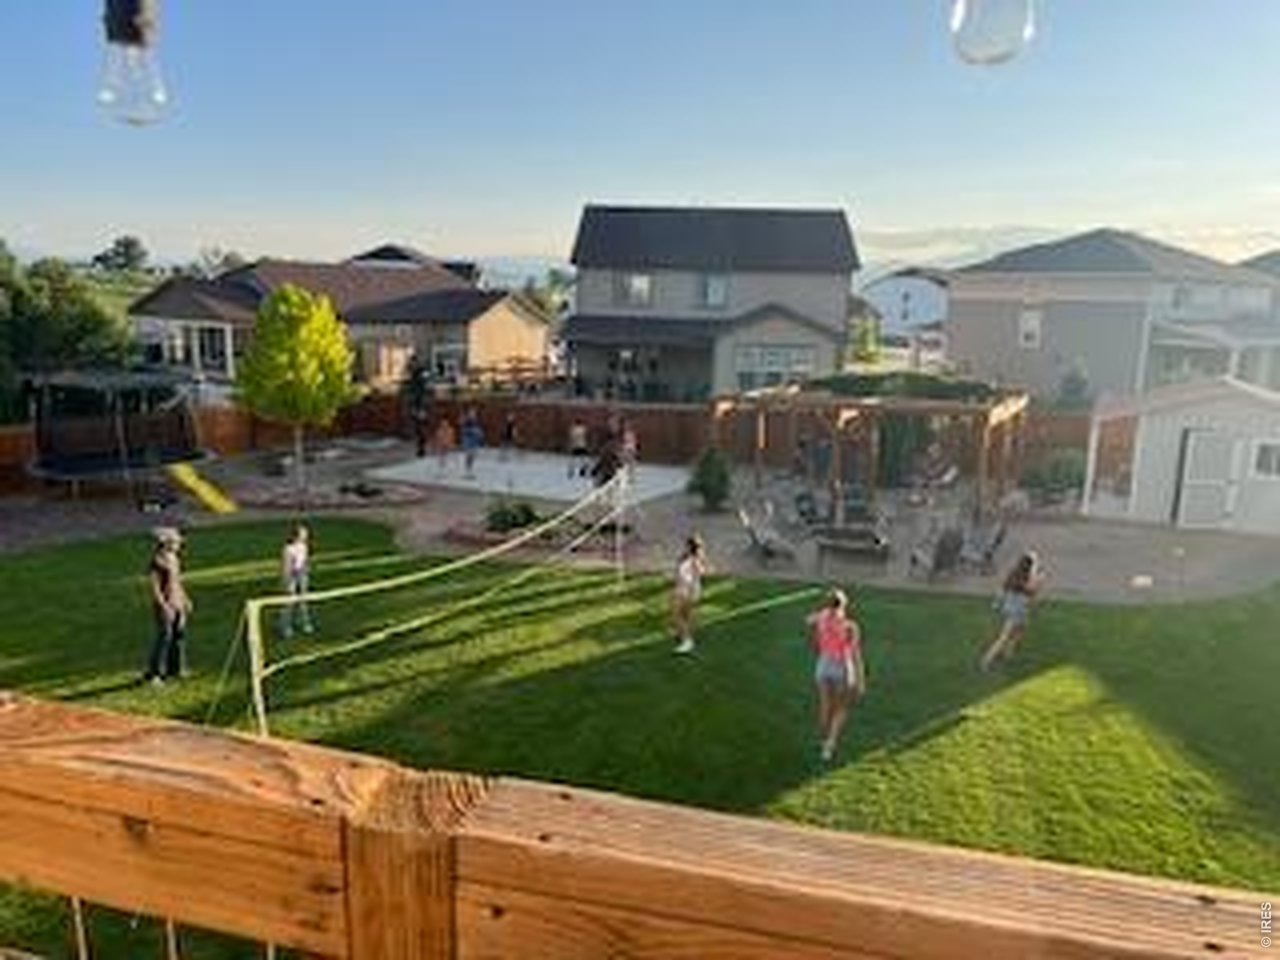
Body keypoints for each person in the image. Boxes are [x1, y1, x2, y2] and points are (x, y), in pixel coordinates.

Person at [807, 588, 864, 762]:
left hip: (823, 665)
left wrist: (816, 637)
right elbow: (855, 655)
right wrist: (860, 679)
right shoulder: (850, 627)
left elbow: (809, 620)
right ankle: (829, 745)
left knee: (825, 706)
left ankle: (823, 739)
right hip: (842, 667)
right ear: (844, 605)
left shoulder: (821, 618)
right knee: (841, 708)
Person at [143, 527, 192, 685]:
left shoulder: (174, 558)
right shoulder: (158, 561)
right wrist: (164, 606)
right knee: (164, 638)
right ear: (166, 543)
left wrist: (185, 600)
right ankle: (154, 673)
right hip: (166, 605)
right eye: (176, 541)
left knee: (178, 637)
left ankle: (175, 669)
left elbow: (178, 582)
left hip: (177, 604)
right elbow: (154, 587)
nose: (179, 544)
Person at [981, 551, 1045, 671]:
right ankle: (987, 661)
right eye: (1035, 563)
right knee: (1005, 637)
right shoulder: (1027, 578)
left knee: (1018, 635)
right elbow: (1032, 590)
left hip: (1016, 610)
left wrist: (996, 603)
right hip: (1016, 612)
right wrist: (1037, 575)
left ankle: (1006, 656)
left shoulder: (1015, 573)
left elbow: (1003, 589)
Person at [671, 535, 707, 655]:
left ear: (690, 547)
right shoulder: (685, 557)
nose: (684, 546)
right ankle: (681, 634)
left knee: (681, 616)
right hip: (682, 589)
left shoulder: (694, 560)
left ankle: (687, 641)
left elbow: (699, 574)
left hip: (688, 591)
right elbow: (678, 572)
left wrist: (690, 591)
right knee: (680, 614)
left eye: (686, 545)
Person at [279, 524, 314, 638]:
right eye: (304, 534)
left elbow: (305, 561)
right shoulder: (288, 549)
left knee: (303, 600)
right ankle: (285, 627)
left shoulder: (304, 546)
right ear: (296, 535)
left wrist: (305, 571)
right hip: (290, 576)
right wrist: (289, 581)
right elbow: (287, 567)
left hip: (302, 575)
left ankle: (304, 623)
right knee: (289, 602)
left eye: (306, 534)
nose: (306, 536)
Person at [461, 408, 484, 477]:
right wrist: (472, 431)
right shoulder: (467, 421)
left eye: (474, 413)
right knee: (469, 456)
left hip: (475, 442)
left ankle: (470, 470)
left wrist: (480, 434)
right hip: (468, 441)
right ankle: (467, 470)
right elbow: (464, 431)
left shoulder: (477, 422)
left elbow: (479, 430)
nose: (473, 415)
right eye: (471, 413)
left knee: (473, 457)